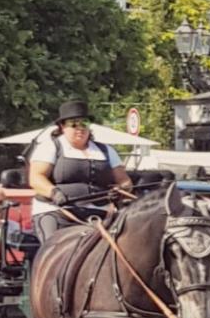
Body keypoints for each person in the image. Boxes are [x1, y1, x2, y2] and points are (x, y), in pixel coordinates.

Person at [27, 100, 133, 243]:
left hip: (101, 213)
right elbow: (36, 177)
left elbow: (124, 180)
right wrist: (54, 192)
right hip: (57, 212)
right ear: (62, 126)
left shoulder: (106, 150)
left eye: (84, 123)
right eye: (74, 124)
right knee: (54, 249)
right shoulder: (51, 146)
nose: (80, 128)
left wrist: (119, 190)